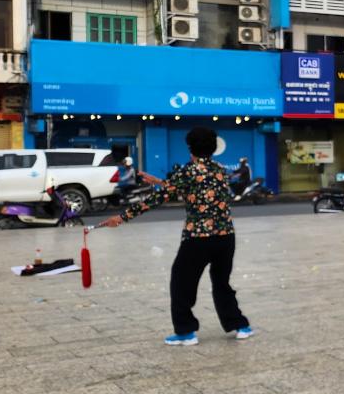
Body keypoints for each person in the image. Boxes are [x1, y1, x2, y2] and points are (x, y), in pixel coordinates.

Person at [102, 126, 253, 346]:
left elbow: (157, 199)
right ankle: (240, 325)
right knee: (222, 282)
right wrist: (159, 182)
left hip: (198, 238)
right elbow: (199, 189)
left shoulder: (188, 171)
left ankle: (185, 332)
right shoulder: (221, 169)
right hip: (225, 237)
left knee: (181, 283)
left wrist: (122, 217)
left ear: (190, 148)